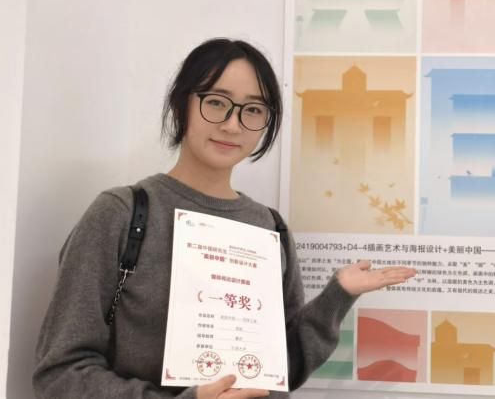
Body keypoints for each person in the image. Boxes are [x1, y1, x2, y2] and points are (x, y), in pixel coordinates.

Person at [33, 38, 416, 398]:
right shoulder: (121, 213)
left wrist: (338, 294)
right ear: (182, 104)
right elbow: (60, 373)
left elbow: (280, 370)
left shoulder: (269, 227)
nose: (233, 124)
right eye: (216, 102)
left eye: (253, 110)